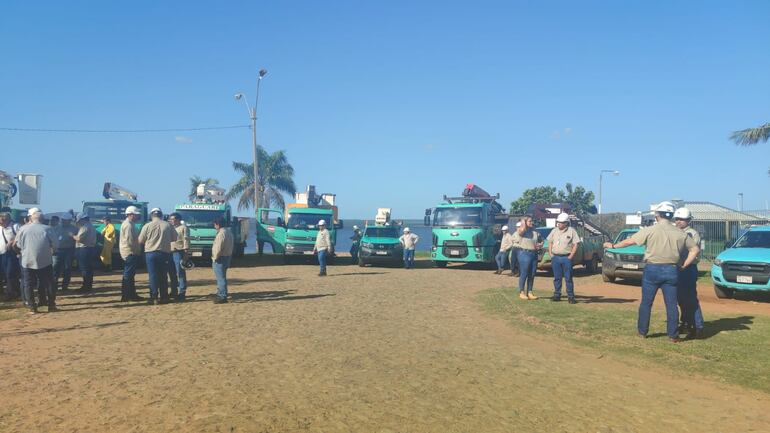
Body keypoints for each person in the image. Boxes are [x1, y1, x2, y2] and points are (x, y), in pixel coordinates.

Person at [604, 202, 699, 343]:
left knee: (646, 303)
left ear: (657, 215)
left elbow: (630, 241)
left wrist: (613, 245)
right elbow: (695, 250)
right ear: (671, 216)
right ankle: (673, 335)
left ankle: (642, 331)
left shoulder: (650, 230)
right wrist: (684, 265)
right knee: (671, 304)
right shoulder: (680, 233)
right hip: (671, 270)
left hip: (652, 269)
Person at [15, 208, 58, 313]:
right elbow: (56, 245)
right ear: (42, 219)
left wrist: (21, 252)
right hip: (45, 260)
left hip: (27, 260)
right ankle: (51, 305)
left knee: (28, 283)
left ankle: (32, 307)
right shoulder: (48, 229)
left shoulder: (23, 229)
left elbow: (17, 244)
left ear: (30, 218)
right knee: (49, 282)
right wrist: (51, 252)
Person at [673, 207, 704, 339]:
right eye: (677, 219)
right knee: (681, 298)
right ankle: (685, 323)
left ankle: (698, 326)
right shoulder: (676, 231)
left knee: (690, 298)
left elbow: (687, 251)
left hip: (688, 269)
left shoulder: (691, 234)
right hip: (679, 268)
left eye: (682, 219)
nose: (679, 222)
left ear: (689, 220)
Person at [138, 208, 177, 305]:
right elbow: (175, 238)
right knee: (163, 275)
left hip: (150, 253)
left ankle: (154, 297)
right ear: (161, 215)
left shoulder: (147, 226)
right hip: (164, 253)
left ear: (151, 215)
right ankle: (164, 297)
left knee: (153, 275)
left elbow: (140, 241)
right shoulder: (168, 225)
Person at [548, 213, 581, 304]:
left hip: (566, 258)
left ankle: (570, 296)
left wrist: (571, 256)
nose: (559, 224)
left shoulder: (572, 231)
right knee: (557, 277)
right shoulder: (554, 231)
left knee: (568, 278)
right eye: (558, 222)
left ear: (566, 223)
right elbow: (550, 242)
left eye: (561, 222)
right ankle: (557, 294)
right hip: (556, 257)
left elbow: (576, 244)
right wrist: (551, 254)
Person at [512, 216, 542, 300]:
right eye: (529, 221)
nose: (531, 222)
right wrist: (523, 222)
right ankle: (521, 292)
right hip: (524, 253)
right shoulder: (521, 230)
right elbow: (521, 231)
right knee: (524, 273)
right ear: (525, 222)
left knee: (532, 274)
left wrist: (540, 244)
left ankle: (530, 292)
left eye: (531, 221)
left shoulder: (535, 231)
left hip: (534, 253)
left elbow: (541, 240)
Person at [119, 206, 144, 302]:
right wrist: (136, 251)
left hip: (129, 252)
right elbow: (130, 241)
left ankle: (131, 294)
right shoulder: (128, 225)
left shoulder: (130, 224)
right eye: (136, 215)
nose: (138, 217)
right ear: (131, 215)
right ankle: (126, 295)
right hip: (130, 252)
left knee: (129, 275)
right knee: (128, 275)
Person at [72, 213, 97, 293]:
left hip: (84, 249)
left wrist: (72, 236)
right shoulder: (91, 226)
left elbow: (79, 239)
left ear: (83, 219)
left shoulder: (85, 227)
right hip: (90, 248)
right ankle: (88, 285)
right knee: (89, 269)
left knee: (84, 269)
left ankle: (86, 286)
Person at [52, 215, 77, 292]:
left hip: (69, 251)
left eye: (65, 220)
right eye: (62, 220)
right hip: (57, 251)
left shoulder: (74, 228)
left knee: (67, 269)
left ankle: (65, 286)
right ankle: (54, 286)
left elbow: (77, 239)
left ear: (69, 221)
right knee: (55, 268)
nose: (63, 222)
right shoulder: (56, 228)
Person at [0, 212, 21, 301]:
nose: (1, 222)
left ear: (7, 219)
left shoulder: (16, 226)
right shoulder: (0, 228)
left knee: (10, 273)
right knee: (4, 274)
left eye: (2, 220)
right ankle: (14, 291)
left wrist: (12, 241)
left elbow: (21, 236)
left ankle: (12, 293)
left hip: (12, 253)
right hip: (2, 253)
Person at [168, 212, 189, 301]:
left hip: (179, 252)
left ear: (178, 219)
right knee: (172, 273)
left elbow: (186, 239)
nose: (171, 221)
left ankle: (182, 291)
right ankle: (173, 290)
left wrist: (186, 252)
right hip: (170, 252)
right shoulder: (170, 228)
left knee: (180, 272)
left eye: (173, 219)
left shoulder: (183, 228)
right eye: (170, 219)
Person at [211, 217, 233, 303]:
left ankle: (222, 296)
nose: (214, 226)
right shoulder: (229, 232)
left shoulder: (221, 234)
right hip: (227, 256)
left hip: (220, 257)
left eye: (215, 224)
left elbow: (218, 247)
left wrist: (214, 257)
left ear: (218, 224)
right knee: (222, 277)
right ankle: (220, 292)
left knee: (221, 278)